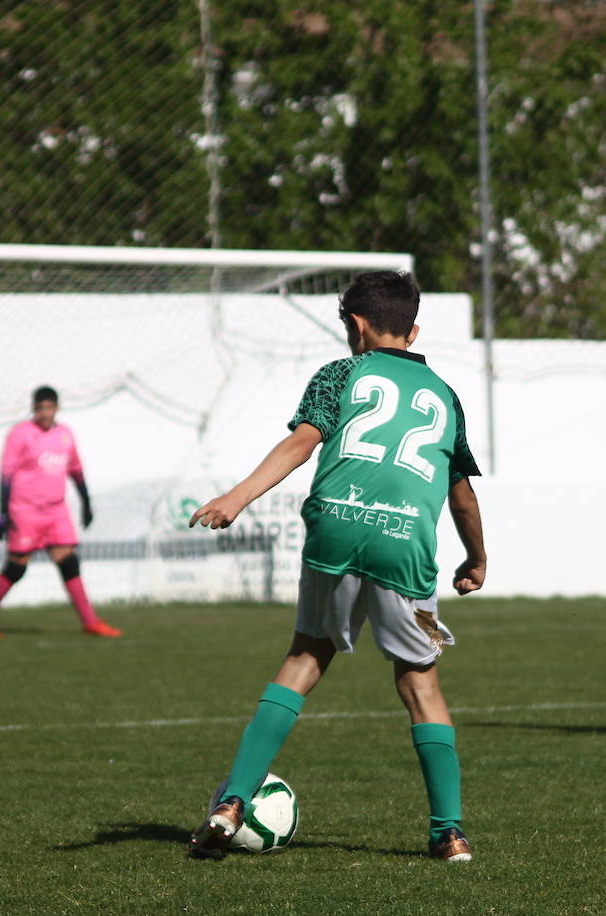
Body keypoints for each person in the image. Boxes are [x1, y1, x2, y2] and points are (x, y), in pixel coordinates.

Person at [186, 271, 487, 862]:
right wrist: (476, 559)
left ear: (355, 325)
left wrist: (237, 496)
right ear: (414, 329)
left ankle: (232, 801)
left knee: (305, 657)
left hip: (336, 525)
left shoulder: (340, 373)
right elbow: (463, 495)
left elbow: (303, 443)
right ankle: (447, 833)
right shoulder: (445, 398)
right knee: (418, 682)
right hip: (405, 541)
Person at [0, 386, 121, 639]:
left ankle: (90, 621)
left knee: (69, 562)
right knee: (17, 567)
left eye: (49, 408)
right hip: (25, 511)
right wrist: (2, 513)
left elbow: (75, 470)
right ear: (34, 409)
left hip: (56, 511)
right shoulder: (20, 434)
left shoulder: (65, 435)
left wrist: (86, 502)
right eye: (40, 408)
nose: (44, 413)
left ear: (56, 408)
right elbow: (6, 475)